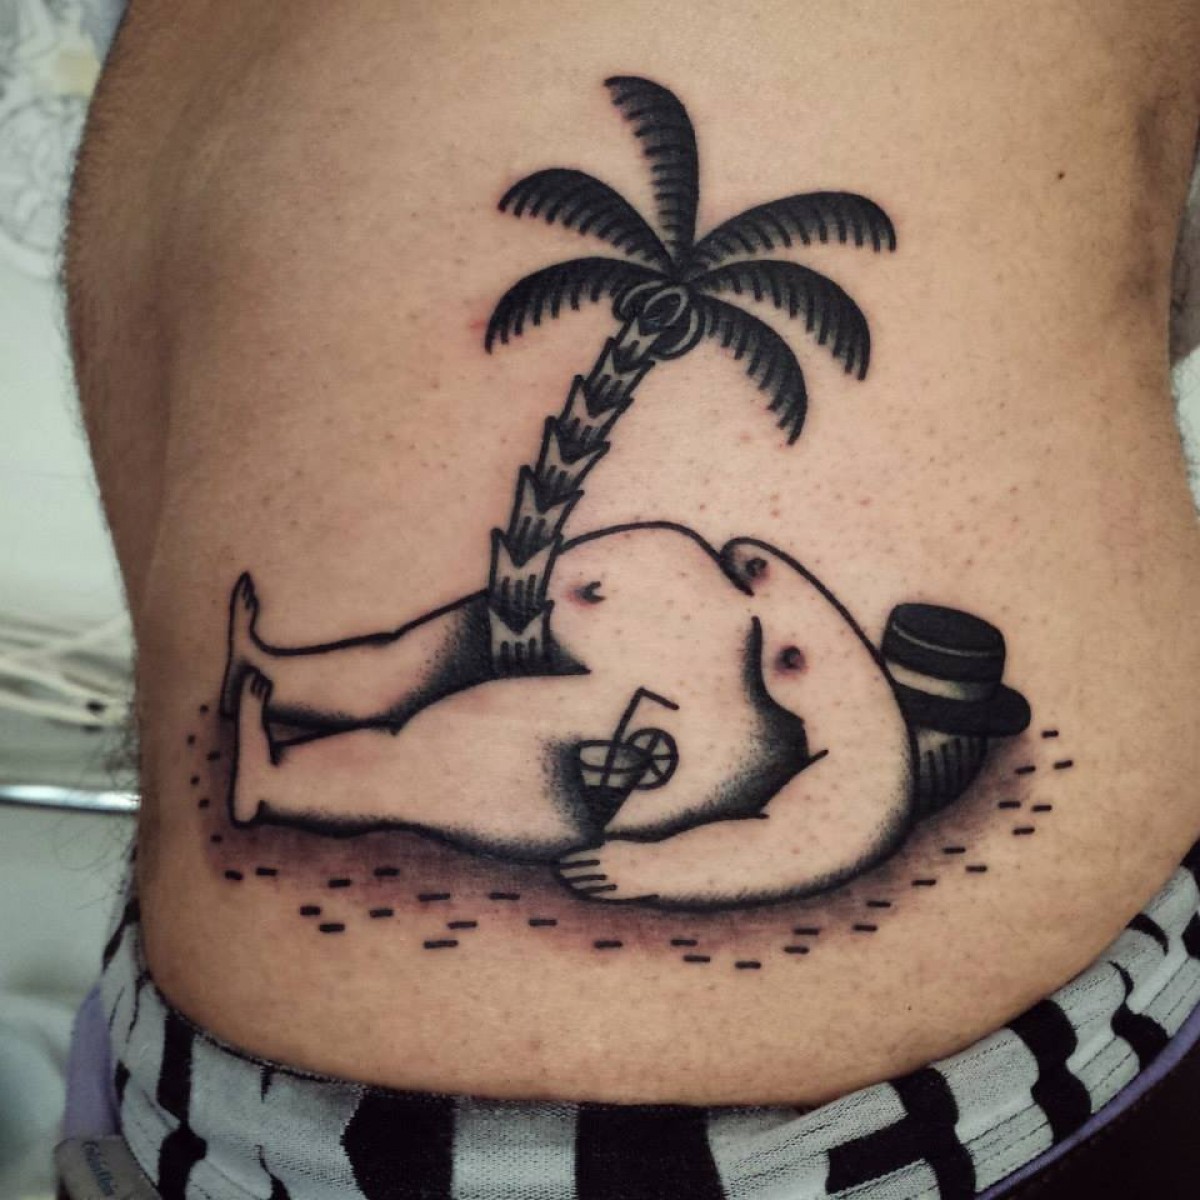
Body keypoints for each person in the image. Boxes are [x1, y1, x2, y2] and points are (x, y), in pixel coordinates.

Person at [60, 2, 1200, 1196]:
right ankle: (296, 714)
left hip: (872, 1126)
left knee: (442, 746)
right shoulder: (766, 640)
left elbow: (830, 823)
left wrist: (665, 874)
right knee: (429, 683)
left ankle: (288, 775)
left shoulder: (807, 693)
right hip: (187, 1081)